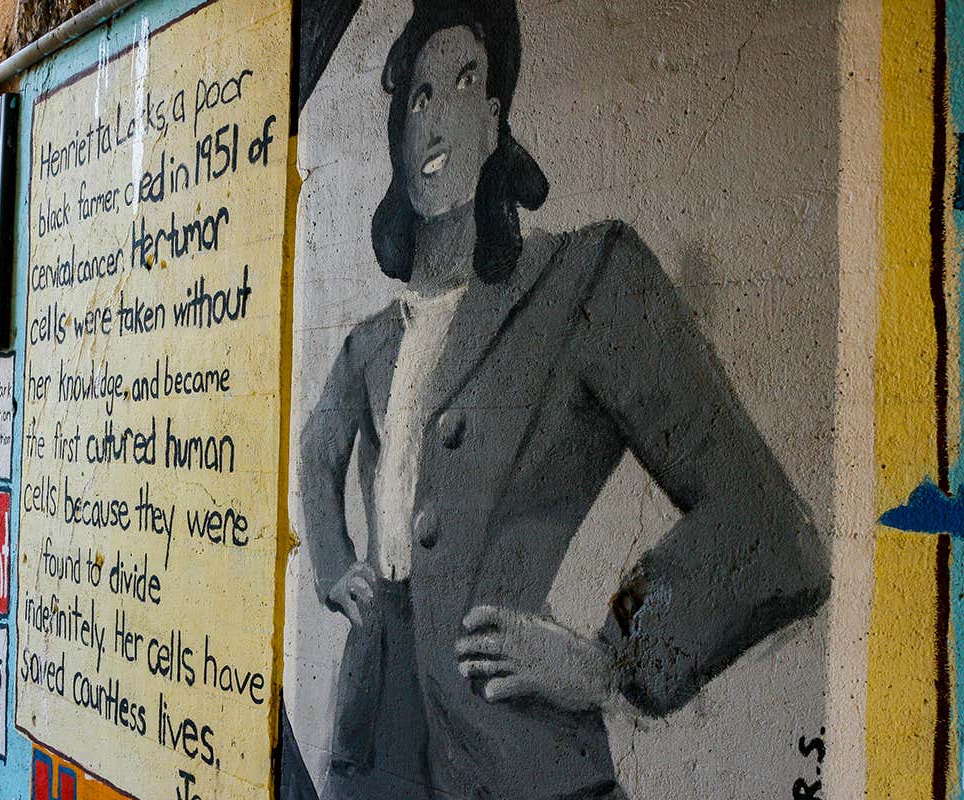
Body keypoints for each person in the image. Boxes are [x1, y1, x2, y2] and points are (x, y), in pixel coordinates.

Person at [296, 1, 831, 797]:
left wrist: (610, 654)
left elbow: (767, 524)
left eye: (463, 82)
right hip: (371, 753)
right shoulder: (371, 339)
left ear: (494, 120)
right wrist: (336, 565)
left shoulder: (584, 282)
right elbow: (317, 445)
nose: (435, 118)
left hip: (516, 763)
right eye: (417, 95)